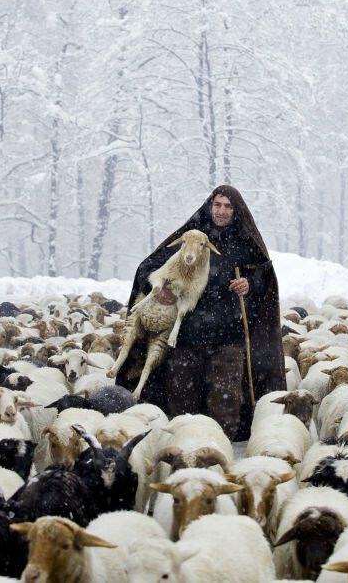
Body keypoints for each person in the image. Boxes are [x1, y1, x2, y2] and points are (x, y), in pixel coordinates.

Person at [114, 185, 284, 440]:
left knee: (225, 405)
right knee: (182, 404)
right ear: (209, 205)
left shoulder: (245, 242)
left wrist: (250, 283)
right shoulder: (191, 236)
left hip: (229, 338)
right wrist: (161, 289)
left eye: (228, 206)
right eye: (218, 205)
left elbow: (264, 276)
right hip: (186, 337)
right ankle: (183, 455)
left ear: (237, 211)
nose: (222, 211)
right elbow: (149, 267)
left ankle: (220, 456)